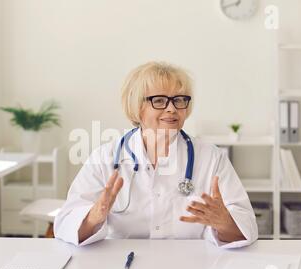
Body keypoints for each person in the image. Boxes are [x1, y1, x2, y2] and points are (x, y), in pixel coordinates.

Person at [54, 61, 258, 248]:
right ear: (137, 107)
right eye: (159, 100)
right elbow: (65, 223)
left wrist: (224, 223)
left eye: (179, 100)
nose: (172, 108)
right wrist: (93, 217)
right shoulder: (105, 158)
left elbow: (247, 227)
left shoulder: (212, 158)